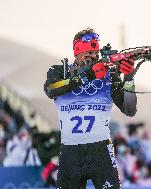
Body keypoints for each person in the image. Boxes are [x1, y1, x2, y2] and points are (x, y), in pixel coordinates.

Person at [44, 28, 138, 189]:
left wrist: (128, 78)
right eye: (87, 54)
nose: (92, 58)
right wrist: (86, 76)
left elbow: (129, 109)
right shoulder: (61, 71)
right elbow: (51, 89)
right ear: (77, 54)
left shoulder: (109, 74)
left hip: (100, 150)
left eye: (95, 53)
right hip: (70, 152)